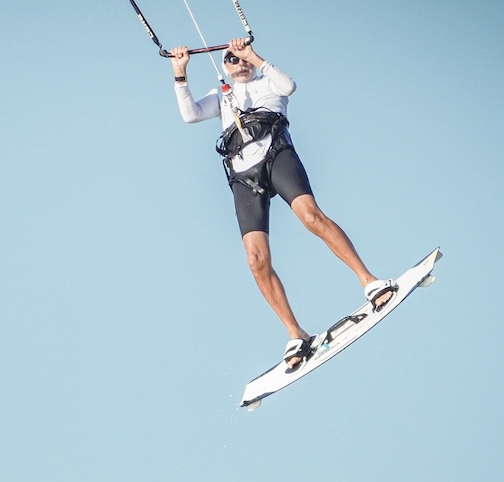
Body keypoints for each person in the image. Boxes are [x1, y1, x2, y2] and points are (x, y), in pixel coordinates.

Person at [170, 38, 396, 370]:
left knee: (310, 216)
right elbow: (190, 115)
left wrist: (254, 56)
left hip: (277, 155)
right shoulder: (222, 95)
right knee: (255, 259)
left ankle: (369, 280)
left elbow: (289, 86)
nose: (239, 62)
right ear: (225, 68)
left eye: (241, 56)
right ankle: (295, 333)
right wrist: (180, 73)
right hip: (244, 176)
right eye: (231, 59)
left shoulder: (267, 84)